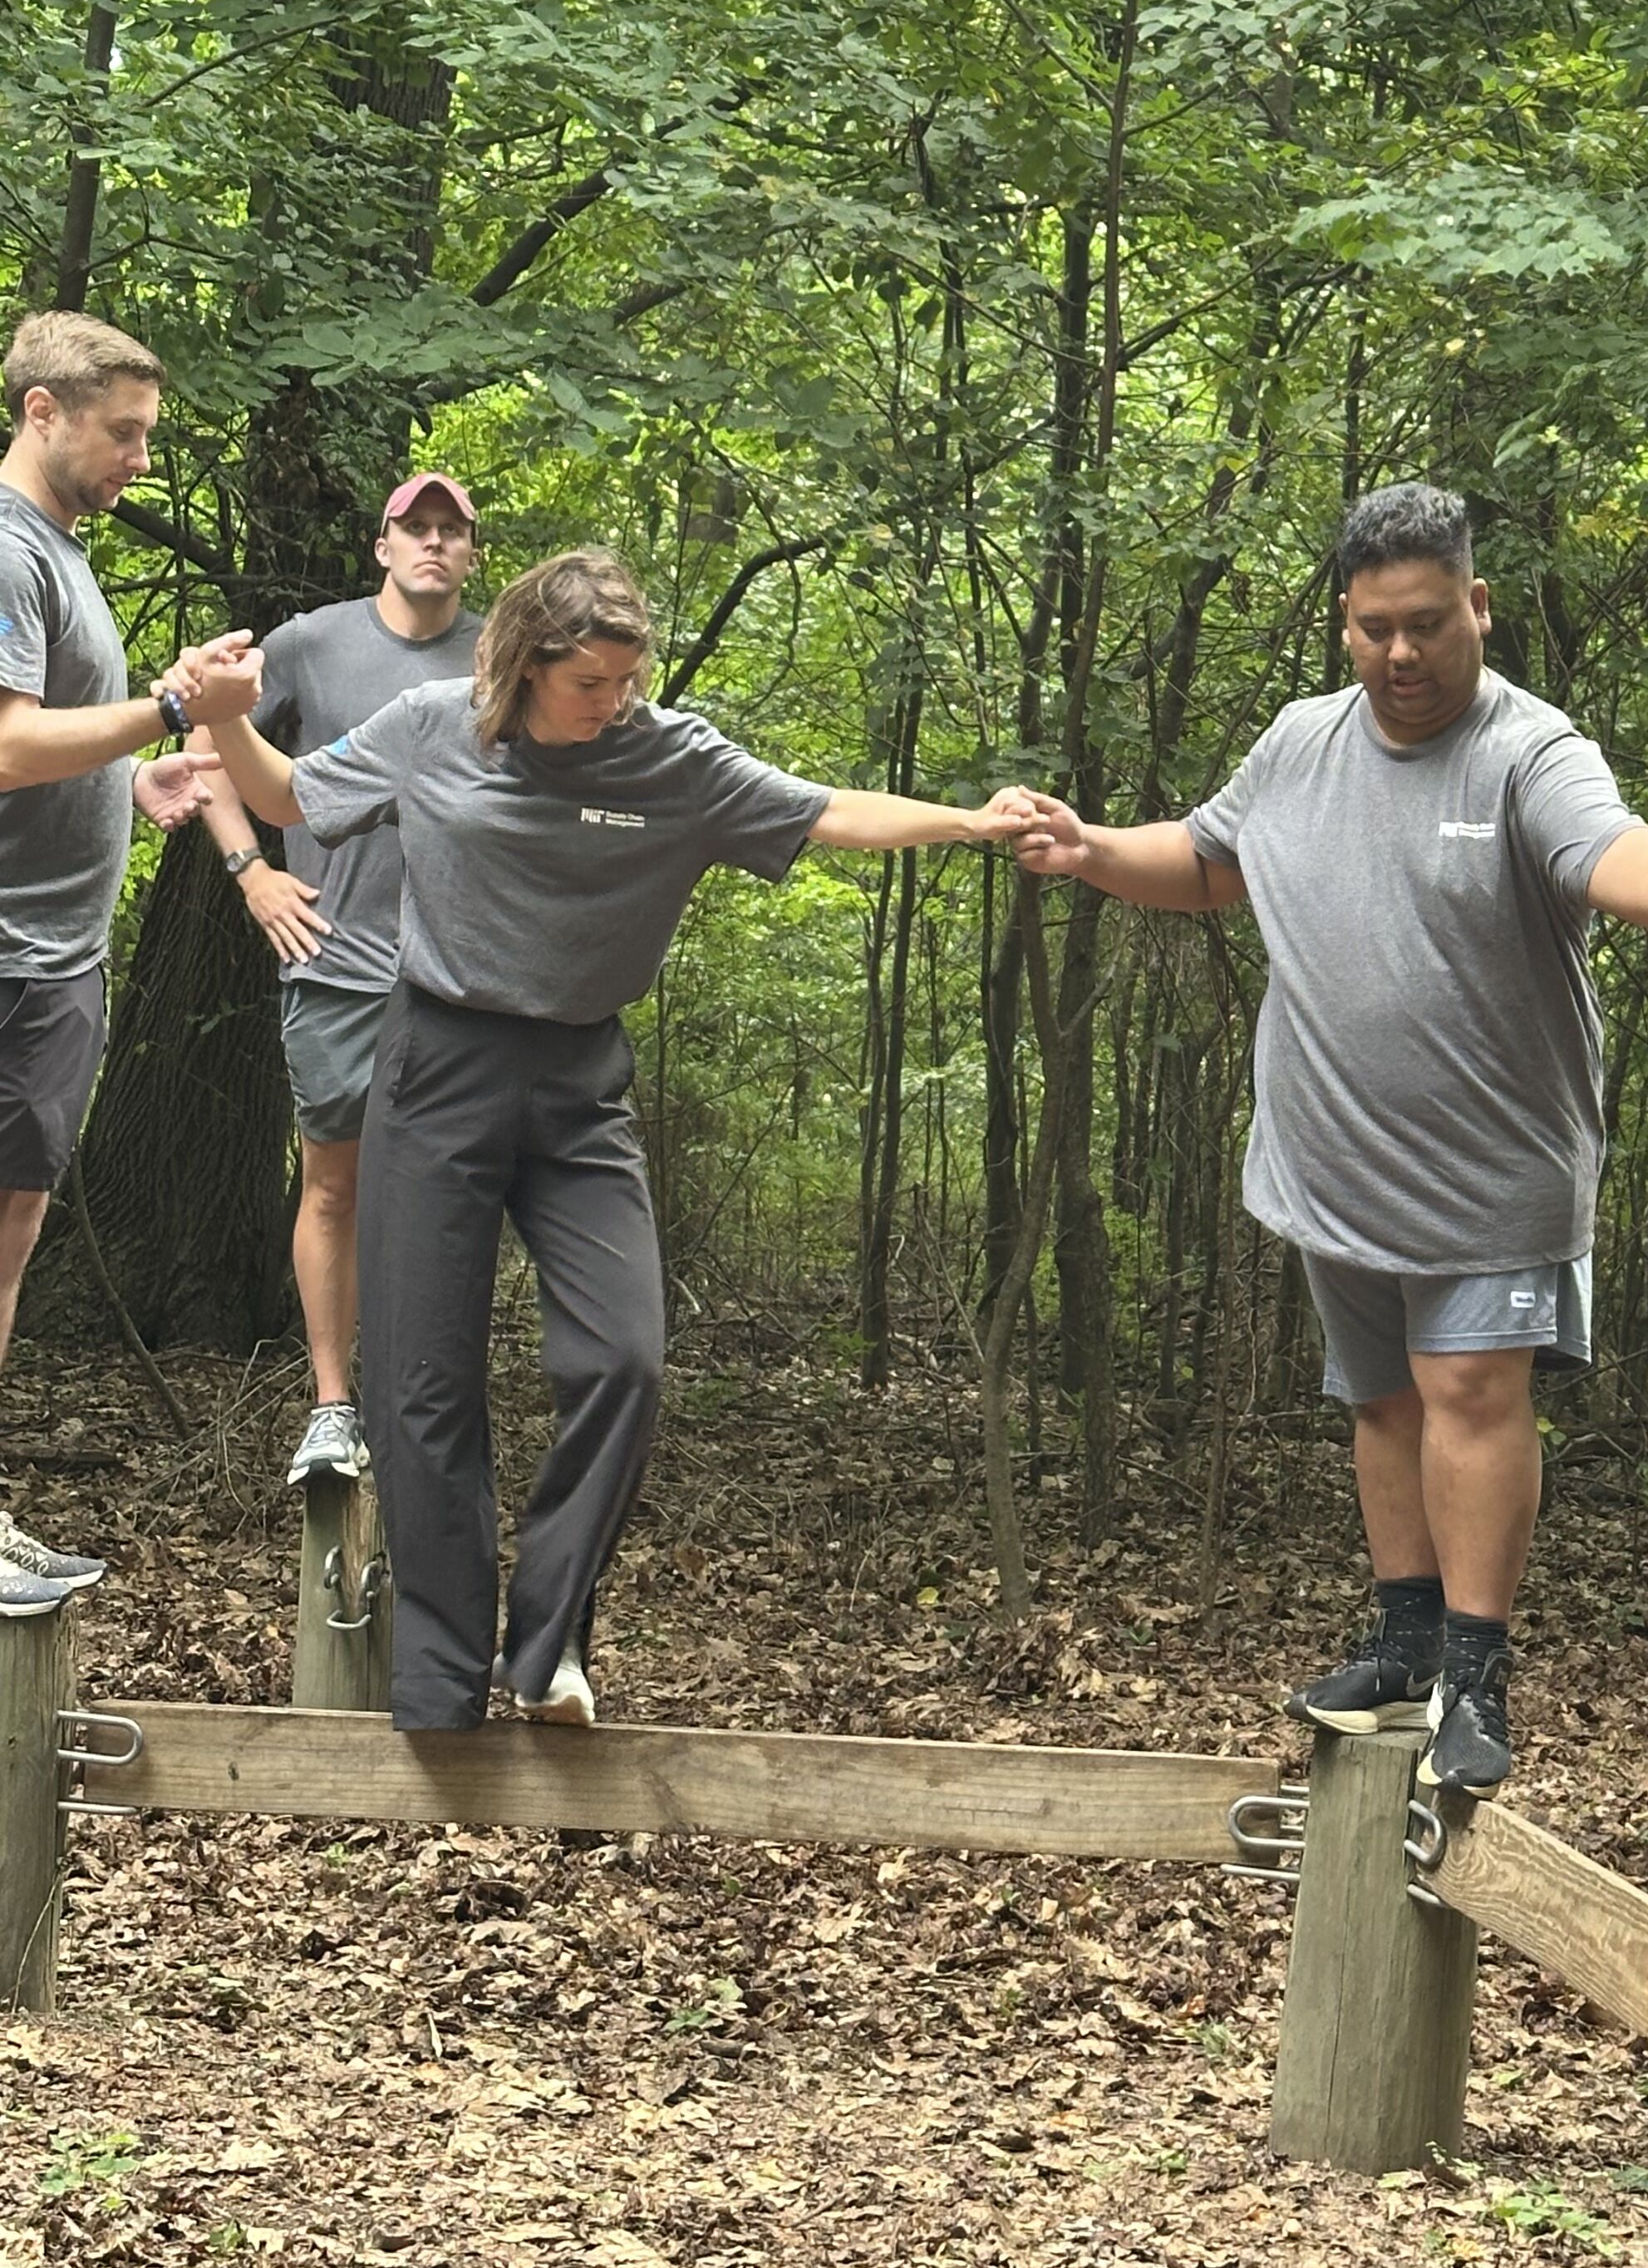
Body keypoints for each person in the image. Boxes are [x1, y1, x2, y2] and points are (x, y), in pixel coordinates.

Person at [180, 545, 1037, 1732]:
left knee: (624, 1356)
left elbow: (825, 810)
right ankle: (436, 1681)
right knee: (421, 1381)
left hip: (580, 1081)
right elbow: (287, 799)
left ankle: (549, 1648)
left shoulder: (670, 756)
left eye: (629, 681)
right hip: (436, 1062)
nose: (615, 702)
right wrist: (224, 724)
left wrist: (971, 821)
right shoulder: (435, 726)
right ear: (529, 666)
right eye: (593, 684)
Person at [1016, 482, 1648, 1792]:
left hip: (1493, 1168)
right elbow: (1211, 860)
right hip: (1331, 1161)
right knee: (1384, 1400)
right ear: (1343, 626)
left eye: (1424, 624)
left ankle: (1476, 1670)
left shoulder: (1530, 748)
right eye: (1370, 630)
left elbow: (1605, 847)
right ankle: (1405, 1635)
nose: (1399, 655)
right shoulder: (1301, 742)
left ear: (1476, 607)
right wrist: (1089, 849)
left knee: (1472, 1393)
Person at [188, 473, 485, 1489]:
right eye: (418, 528)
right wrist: (253, 870)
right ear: (383, 545)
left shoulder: (499, 657)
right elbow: (205, 746)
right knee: (334, 1185)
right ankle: (331, 1407)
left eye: (454, 531)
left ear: (472, 553)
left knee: (445, 1195)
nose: (434, 545)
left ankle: (424, 1405)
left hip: (461, 979)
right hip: (335, 964)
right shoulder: (311, 642)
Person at [0, 312, 214, 1611]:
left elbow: (55, 754)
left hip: (53, 957)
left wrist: (136, 777)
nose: (141, 457)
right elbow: (8, 746)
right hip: (9, 956)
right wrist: (176, 704)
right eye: (123, 432)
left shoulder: (64, 557)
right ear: (42, 412)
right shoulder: (6, 550)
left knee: (11, 1249)